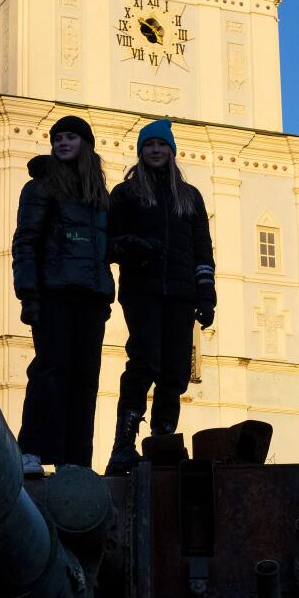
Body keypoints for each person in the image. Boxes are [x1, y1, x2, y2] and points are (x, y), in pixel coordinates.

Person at [105, 119, 214, 473]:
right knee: (144, 362)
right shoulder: (126, 194)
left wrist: (206, 292)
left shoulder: (190, 197)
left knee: (176, 371)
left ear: (171, 151)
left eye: (161, 145)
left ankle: (162, 440)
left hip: (181, 294)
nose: (155, 150)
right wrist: (134, 247)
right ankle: (124, 442)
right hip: (143, 291)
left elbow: (202, 248)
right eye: (149, 145)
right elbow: (109, 243)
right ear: (140, 152)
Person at [12, 114, 114, 475]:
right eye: (57, 139)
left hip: (92, 297)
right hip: (54, 292)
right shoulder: (40, 188)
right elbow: (26, 242)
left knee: (85, 378)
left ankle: (76, 462)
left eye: (70, 137)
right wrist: (28, 293)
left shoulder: (98, 195)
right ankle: (32, 451)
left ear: (85, 144)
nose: (62, 143)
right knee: (50, 370)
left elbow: (107, 244)